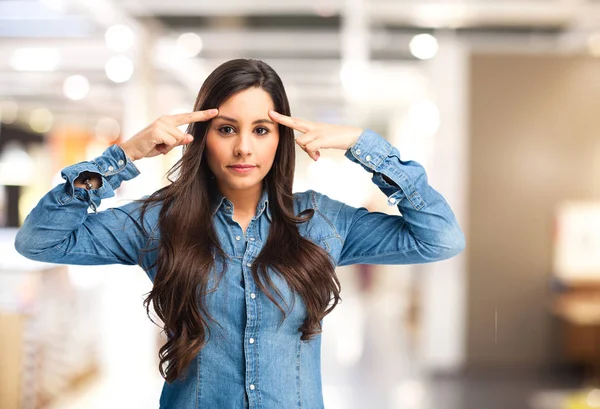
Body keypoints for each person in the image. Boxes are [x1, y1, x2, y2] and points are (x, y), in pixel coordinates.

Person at [14, 58, 465, 409]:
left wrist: (363, 145)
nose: (244, 147)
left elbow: (440, 237)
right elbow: (40, 239)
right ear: (201, 137)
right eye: (227, 129)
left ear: (280, 138)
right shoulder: (159, 221)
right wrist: (124, 154)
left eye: (262, 129)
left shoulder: (323, 222)